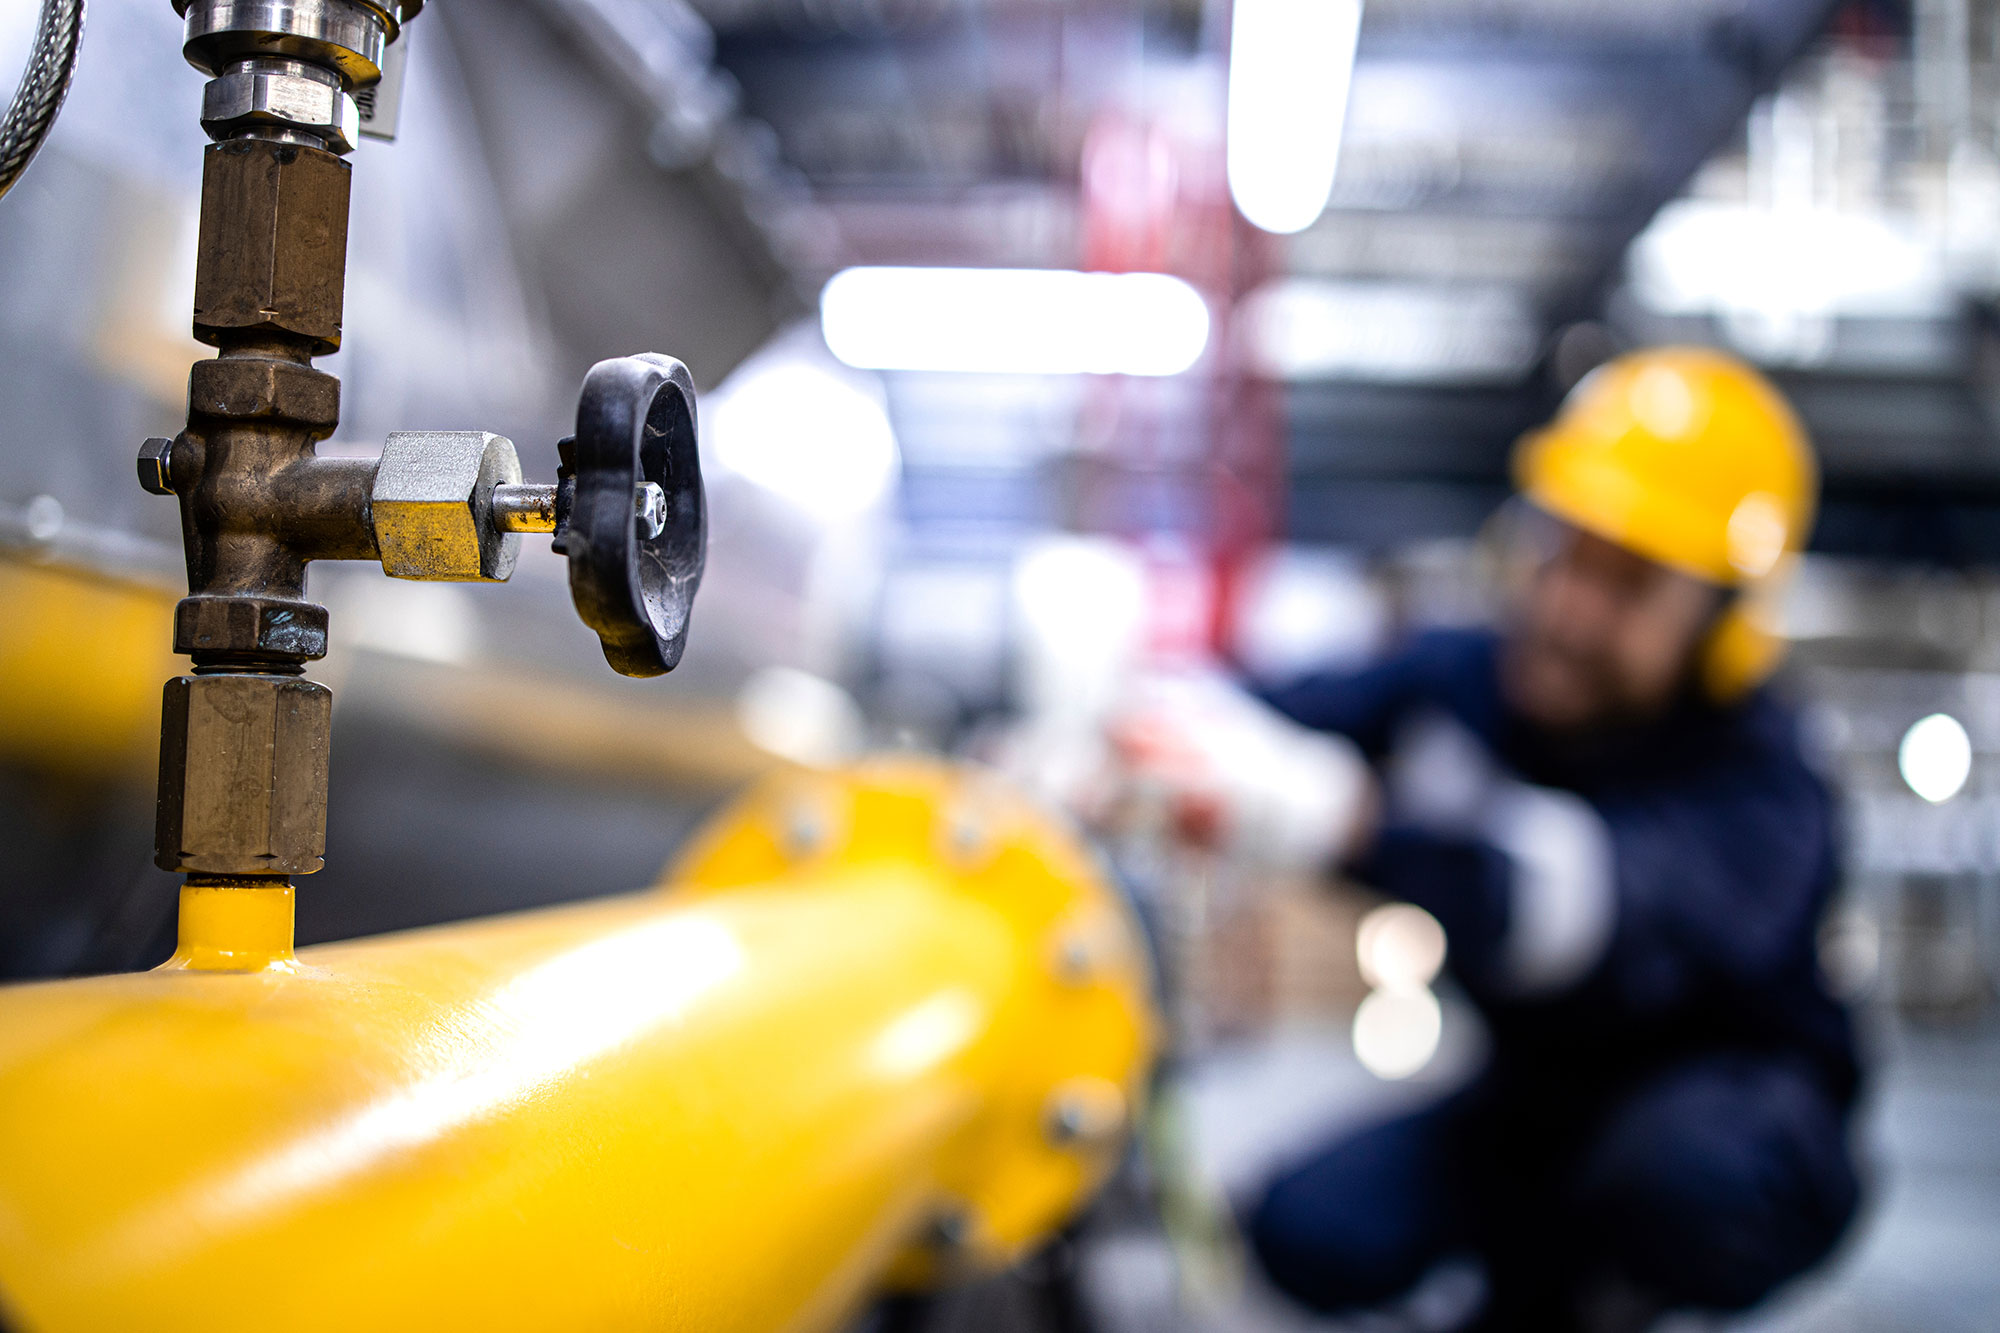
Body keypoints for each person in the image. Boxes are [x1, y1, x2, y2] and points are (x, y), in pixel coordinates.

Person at [1116, 347, 1862, 1332]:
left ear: (1720, 620)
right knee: (1305, 1230)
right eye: (1562, 554)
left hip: (1730, 1114)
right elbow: (1252, 709)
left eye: (1629, 585)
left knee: (1672, 1185)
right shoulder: (1468, 676)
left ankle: (1597, 1303)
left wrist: (1337, 816)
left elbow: (1555, 902)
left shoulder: (1761, 787)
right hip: (1536, 1099)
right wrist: (1125, 729)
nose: (1567, 610)